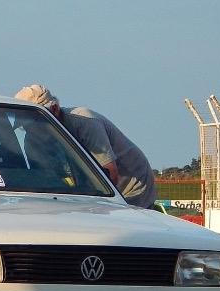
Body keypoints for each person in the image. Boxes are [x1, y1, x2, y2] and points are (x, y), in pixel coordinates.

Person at [14, 83, 157, 208]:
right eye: (24, 124)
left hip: (132, 187)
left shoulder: (85, 122)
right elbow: (45, 178)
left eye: (35, 121)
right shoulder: (32, 139)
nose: (29, 128)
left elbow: (110, 173)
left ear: (55, 109)